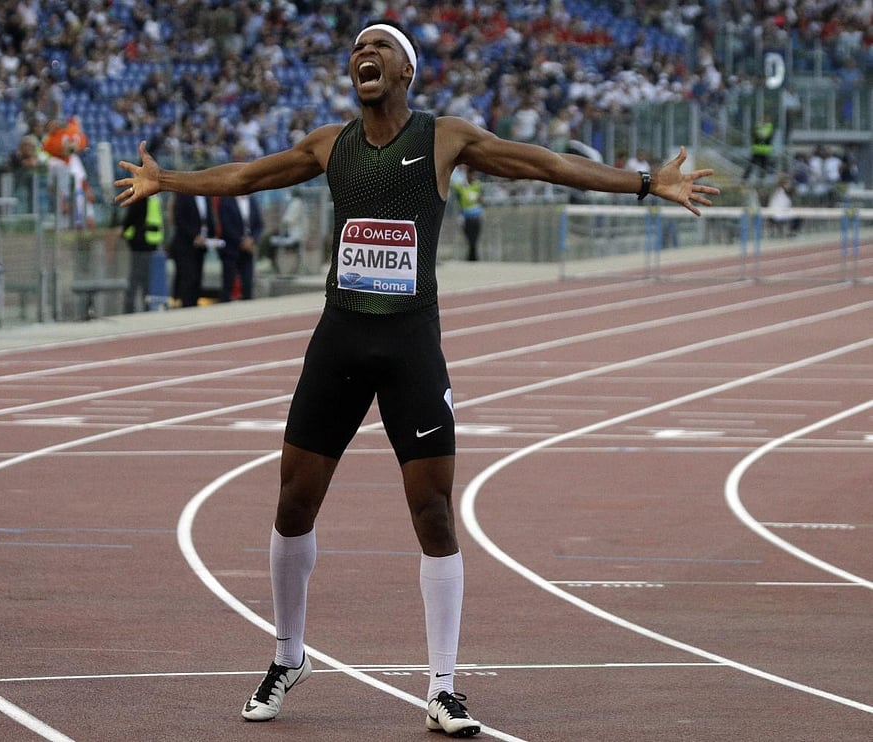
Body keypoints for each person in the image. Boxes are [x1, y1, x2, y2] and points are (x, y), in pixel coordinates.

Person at [116, 19, 718, 736]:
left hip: (410, 345)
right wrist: (166, 181)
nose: (362, 56)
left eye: (380, 49)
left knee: (433, 511)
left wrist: (645, 182)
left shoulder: (444, 138)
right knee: (292, 503)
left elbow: (545, 164)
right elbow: (245, 176)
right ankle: (287, 656)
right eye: (356, 50)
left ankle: (442, 688)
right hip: (339, 340)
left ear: (407, 71)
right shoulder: (327, 144)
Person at [168, 192, 215, 308]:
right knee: (187, 279)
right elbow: (179, 219)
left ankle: (193, 307)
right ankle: (184, 307)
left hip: (201, 247)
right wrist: (194, 236)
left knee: (197, 281)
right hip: (185, 247)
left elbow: (209, 220)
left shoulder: (207, 198)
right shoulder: (183, 196)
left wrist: (209, 236)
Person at [214, 192, 264, 301]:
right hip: (231, 250)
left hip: (248, 251)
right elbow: (226, 225)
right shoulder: (226, 201)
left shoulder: (252, 201)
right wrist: (241, 241)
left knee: (247, 284)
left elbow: (259, 225)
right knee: (228, 284)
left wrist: (252, 240)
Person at [120, 193, 164, 312]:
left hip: (146, 243)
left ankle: (140, 307)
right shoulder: (148, 199)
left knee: (141, 279)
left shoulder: (147, 199)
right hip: (144, 244)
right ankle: (133, 307)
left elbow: (130, 219)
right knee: (139, 278)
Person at [267, 189, 309, 275]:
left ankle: (274, 267)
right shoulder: (300, 203)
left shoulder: (296, 203)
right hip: (297, 233)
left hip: (295, 235)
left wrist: (281, 221)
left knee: (270, 240)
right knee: (272, 238)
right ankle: (274, 266)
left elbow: (288, 220)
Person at [452, 165, 484, 261]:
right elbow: (458, 201)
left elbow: (482, 200)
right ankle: (472, 257)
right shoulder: (460, 186)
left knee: (475, 237)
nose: (472, 176)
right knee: (469, 237)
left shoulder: (477, 185)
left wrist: (476, 198)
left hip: (476, 215)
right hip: (466, 216)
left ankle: (472, 257)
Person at [742, 114, 774, 182]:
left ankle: (761, 179)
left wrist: (761, 135)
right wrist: (761, 135)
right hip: (757, 149)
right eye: (764, 118)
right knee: (752, 164)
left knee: (763, 166)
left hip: (765, 150)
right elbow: (756, 135)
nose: (765, 120)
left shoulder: (769, 126)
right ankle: (745, 178)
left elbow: (765, 136)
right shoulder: (758, 126)